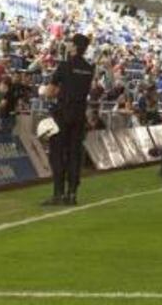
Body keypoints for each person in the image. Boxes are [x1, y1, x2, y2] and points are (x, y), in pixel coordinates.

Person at [44, 33, 95, 206]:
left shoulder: (64, 65)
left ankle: (58, 194)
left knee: (57, 154)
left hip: (63, 114)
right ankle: (72, 193)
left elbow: (50, 92)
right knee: (74, 154)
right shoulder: (89, 68)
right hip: (79, 114)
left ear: (74, 47)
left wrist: (49, 92)